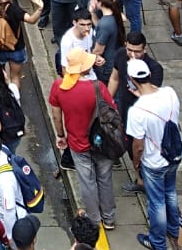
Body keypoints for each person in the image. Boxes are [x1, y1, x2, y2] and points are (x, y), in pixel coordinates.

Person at [48, 47, 116, 232]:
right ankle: (109, 218)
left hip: (78, 143)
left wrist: (61, 135)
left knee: (87, 181)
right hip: (102, 142)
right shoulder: (99, 87)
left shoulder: (59, 87)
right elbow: (112, 110)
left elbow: (56, 115)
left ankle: (94, 219)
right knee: (105, 178)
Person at [125, 59, 181, 250]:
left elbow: (138, 145)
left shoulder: (137, 111)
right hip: (174, 154)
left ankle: (157, 242)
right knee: (171, 192)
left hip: (154, 162)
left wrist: (136, 164)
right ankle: (175, 229)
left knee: (156, 202)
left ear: (132, 79)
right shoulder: (170, 93)